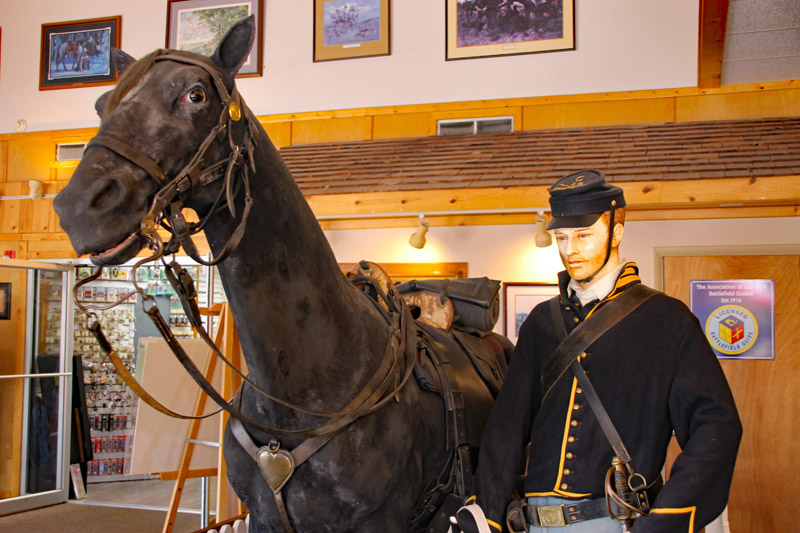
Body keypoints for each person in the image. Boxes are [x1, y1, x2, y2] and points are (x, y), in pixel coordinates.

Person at [451, 170, 742, 532]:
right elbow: (508, 426)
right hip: (535, 522)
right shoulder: (542, 321)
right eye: (561, 237)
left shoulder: (666, 320)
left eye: (584, 235)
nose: (570, 250)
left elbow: (716, 426)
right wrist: (487, 514)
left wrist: (667, 519)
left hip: (616, 521)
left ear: (616, 232)